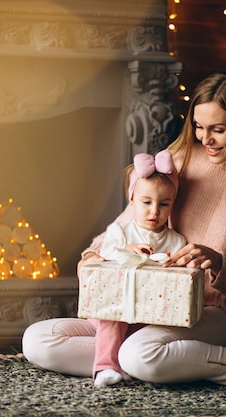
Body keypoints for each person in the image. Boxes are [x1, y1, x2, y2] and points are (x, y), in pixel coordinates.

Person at [22, 71, 226, 386]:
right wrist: (93, 256)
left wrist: (218, 262)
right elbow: (129, 223)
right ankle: (164, 360)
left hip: (215, 314)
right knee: (38, 340)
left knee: (139, 354)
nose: (205, 139)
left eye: (218, 130)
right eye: (199, 127)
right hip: (144, 301)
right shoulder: (180, 160)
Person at [91, 150, 187, 386]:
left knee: (156, 332)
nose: (154, 211)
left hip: (149, 311)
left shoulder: (177, 241)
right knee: (113, 318)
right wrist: (127, 251)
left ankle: (128, 363)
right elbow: (104, 261)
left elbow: (179, 278)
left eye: (164, 204)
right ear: (132, 200)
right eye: (146, 202)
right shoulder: (120, 232)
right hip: (114, 306)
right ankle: (104, 367)